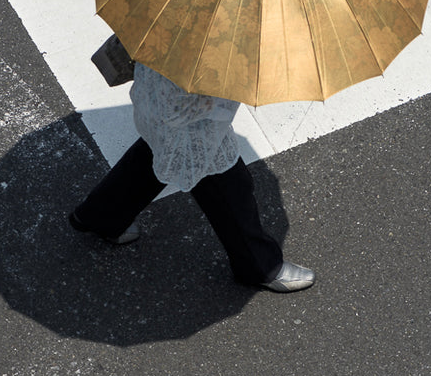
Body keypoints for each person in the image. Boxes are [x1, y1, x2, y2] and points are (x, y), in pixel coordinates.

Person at [69, 62, 315, 293]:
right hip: (190, 102)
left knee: (162, 150)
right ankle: (259, 265)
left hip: (161, 85)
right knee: (225, 182)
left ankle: (102, 215)